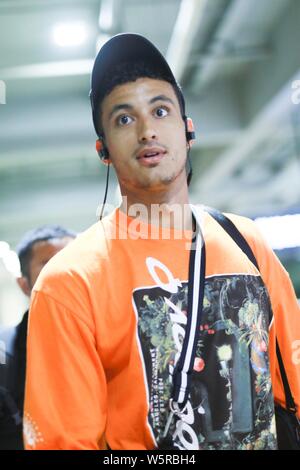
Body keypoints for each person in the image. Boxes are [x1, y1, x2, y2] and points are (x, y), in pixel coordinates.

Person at [23, 33, 300, 450]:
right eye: (124, 118)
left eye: (160, 109)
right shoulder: (70, 281)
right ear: (104, 150)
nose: (148, 129)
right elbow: (64, 442)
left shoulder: (245, 242)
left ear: (188, 130)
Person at [0, 225, 75, 449]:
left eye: (74, 262)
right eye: (50, 264)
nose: (67, 272)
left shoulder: (116, 337)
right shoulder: (6, 352)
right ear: (24, 284)